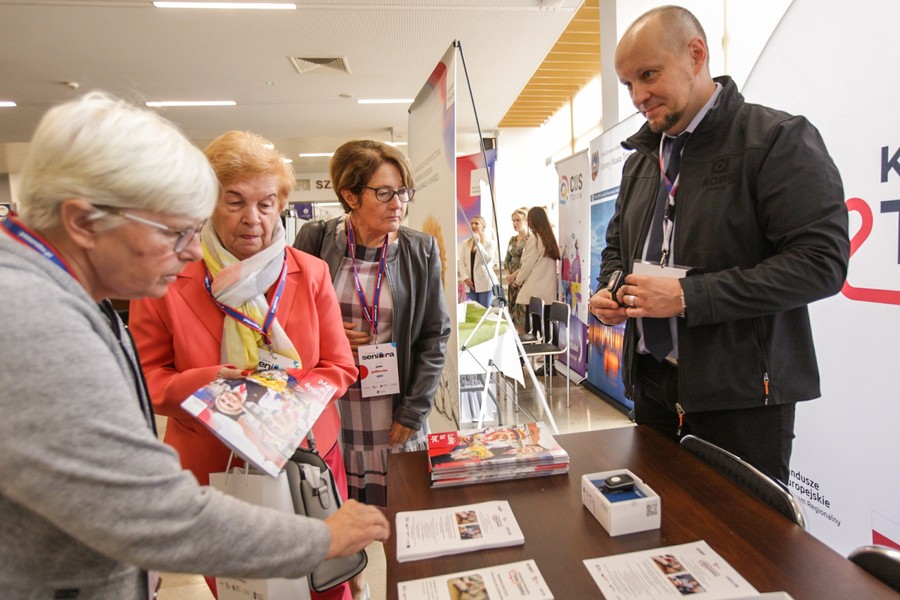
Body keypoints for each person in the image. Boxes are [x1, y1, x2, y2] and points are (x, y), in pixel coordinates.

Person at [0, 92, 388, 599]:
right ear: (81, 222)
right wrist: (319, 538)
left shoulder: (58, 297)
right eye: (175, 230)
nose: (189, 250)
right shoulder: (34, 322)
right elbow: (149, 512)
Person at [588, 6, 848, 482]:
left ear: (696, 54)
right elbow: (616, 250)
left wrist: (689, 297)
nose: (638, 96)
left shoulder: (776, 140)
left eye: (649, 75)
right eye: (628, 84)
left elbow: (821, 263)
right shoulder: (641, 161)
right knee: (658, 538)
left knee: (740, 548)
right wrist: (611, 288)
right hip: (652, 385)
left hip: (741, 398)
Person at [128, 130, 358, 600]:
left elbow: (339, 365)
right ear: (208, 204)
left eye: (266, 203)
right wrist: (211, 384)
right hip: (218, 469)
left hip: (306, 458)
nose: (253, 219)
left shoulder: (309, 272)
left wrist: (288, 399)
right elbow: (144, 381)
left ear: (281, 206)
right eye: (234, 202)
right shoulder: (168, 278)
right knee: (244, 590)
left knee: (324, 585)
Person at [294, 139, 450, 599]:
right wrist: (328, 334)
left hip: (395, 413)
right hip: (333, 413)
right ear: (350, 194)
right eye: (385, 193)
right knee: (341, 517)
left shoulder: (419, 250)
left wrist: (414, 412)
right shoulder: (315, 242)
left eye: (403, 192)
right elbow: (287, 328)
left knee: (406, 519)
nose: (398, 203)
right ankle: (354, 589)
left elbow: (433, 336)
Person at [514, 206, 560, 352]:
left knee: (532, 331)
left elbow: (526, 266)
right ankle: (548, 365)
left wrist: (517, 281)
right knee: (548, 332)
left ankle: (526, 363)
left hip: (534, 294)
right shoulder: (550, 239)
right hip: (548, 294)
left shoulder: (534, 239)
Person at [459, 215, 497, 307]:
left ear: (483, 227)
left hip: (485, 283)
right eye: (471, 223)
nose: (473, 225)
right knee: (473, 312)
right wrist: (465, 277)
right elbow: (461, 262)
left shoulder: (490, 242)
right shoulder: (466, 243)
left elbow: (487, 260)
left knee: (483, 311)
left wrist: (478, 243)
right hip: (470, 284)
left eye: (476, 223)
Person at [503, 207, 530, 328]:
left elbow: (527, 263)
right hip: (511, 281)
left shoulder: (530, 239)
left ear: (526, 221)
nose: (515, 223)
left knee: (522, 314)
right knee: (512, 311)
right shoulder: (512, 240)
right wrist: (509, 276)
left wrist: (515, 277)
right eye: (513, 220)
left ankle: (523, 341)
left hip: (523, 280)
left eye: (518, 220)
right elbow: (507, 259)